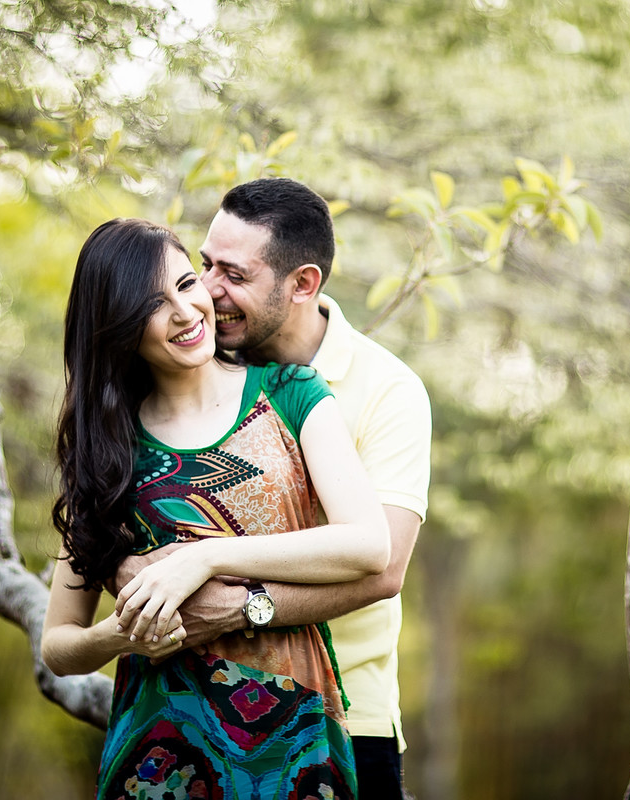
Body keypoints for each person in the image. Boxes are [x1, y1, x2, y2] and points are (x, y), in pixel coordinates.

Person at [41, 218, 390, 799]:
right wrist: (123, 635)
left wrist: (202, 559)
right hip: (157, 756)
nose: (185, 311)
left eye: (185, 283)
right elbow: (58, 643)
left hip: (293, 738)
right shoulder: (109, 451)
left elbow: (368, 544)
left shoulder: (290, 391)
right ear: (119, 328)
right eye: (153, 304)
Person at [113, 177, 432, 799]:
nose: (207, 289)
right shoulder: (200, 372)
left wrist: (243, 607)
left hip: (345, 718)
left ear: (302, 284)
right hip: (196, 715)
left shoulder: (388, 389)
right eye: (205, 264)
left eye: (233, 273)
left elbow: (384, 567)